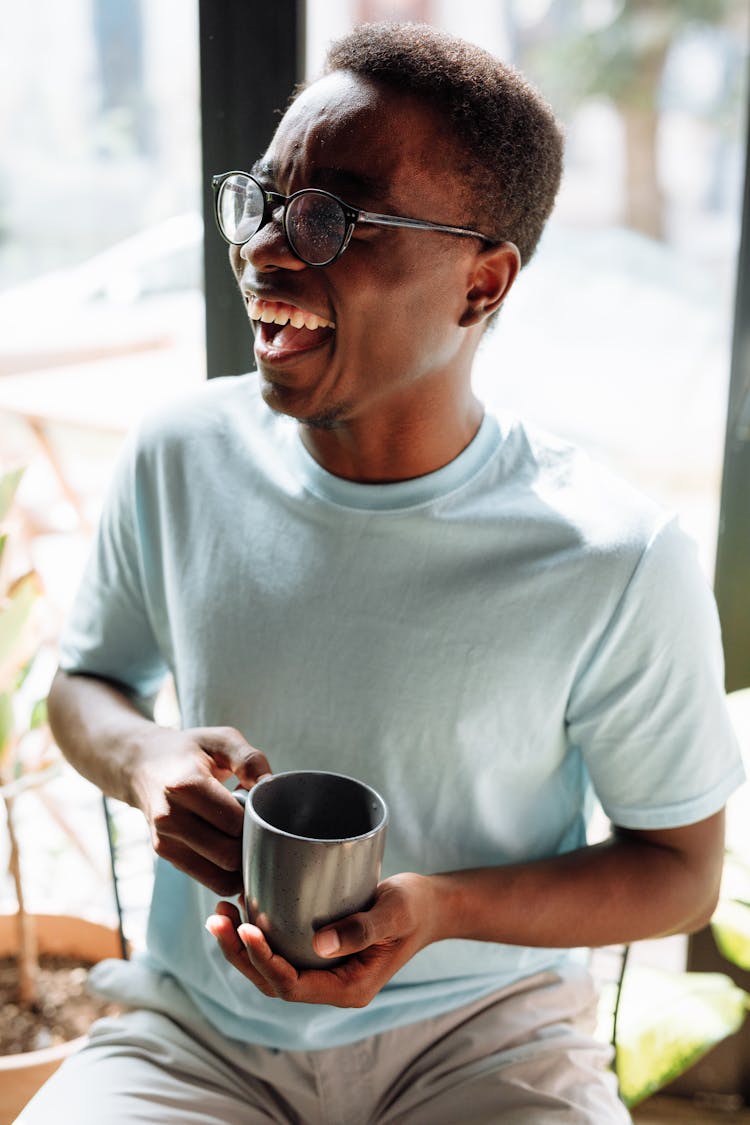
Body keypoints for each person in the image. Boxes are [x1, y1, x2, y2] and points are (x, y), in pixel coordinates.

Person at [20, 21, 744, 1125]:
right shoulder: (179, 453)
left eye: (333, 217)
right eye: (261, 199)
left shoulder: (615, 555)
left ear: (482, 282)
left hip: (486, 1042)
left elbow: (681, 871)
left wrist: (434, 911)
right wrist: (146, 757)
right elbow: (86, 686)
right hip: (195, 1034)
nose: (267, 246)